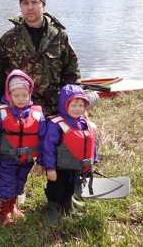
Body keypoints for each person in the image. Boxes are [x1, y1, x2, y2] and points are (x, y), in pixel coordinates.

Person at [0, 0, 81, 117]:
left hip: (53, 111)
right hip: (19, 111)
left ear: (43, 5)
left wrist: (73, 102)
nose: (30, 7)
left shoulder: (59, 36)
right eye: (25, 3)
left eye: (34, 2)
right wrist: (1, 107)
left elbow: (71, 73)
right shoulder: (8, 39)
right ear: (21, 7)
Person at [0, 69, 46, 225]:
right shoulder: (1, 113)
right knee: (7, 184)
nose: (20, 99)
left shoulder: (38, 114)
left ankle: (13, 207)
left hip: (27, 159)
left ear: (30, 94)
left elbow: (43, 139)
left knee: (20, 183)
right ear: (9, 95)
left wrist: (41, 161)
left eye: (24, 95)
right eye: (16, 95)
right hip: (7, 158)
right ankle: (5, 212)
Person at [41, 84, 98, 223]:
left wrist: (93, 160)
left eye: (81, 105)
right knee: (56, 189)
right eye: (74, 105)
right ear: (64, 105)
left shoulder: (86, 123)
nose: (78, 109)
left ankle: (68, 206)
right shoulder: (56, 124)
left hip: (77, 167)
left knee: (71, 188)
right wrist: (50, 168)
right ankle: (53, 208)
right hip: (59, 168)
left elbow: (91, 143)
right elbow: (48, 148)